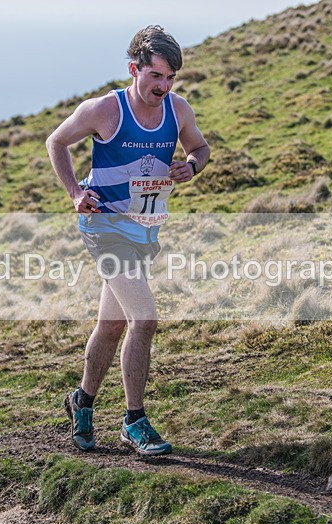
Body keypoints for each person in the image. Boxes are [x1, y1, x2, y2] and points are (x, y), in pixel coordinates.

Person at [46, 25, 210, 456]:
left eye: (171, 77)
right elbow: (56, 141)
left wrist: (191, 166)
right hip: (104, 228)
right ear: (134, 69)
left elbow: (200, 147)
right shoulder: (104, 110)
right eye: (156, 76)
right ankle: (134, 421)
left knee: (112, 323)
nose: (164, 86)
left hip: (144, 230)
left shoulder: (178, 109)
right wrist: (76, 194)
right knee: (145, 318)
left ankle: (81, 402)